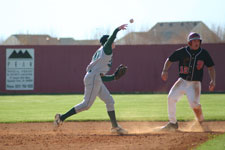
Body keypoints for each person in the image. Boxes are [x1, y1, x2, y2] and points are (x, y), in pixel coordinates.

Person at [54, 24, 128, 135]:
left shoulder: (102, 51)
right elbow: (111, 39)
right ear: (108, 42)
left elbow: (100, 77)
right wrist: (117, 29)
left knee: (109, 101)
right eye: (113, 41)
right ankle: (61, 118)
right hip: (93, 78)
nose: (114, 42)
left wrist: (113, 77)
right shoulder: (106, 49)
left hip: (94, 78)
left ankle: (115, 127)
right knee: (86, 105)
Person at [161, 32, 216, 131]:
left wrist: (213, 80)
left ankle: (201, 122)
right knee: (171, 98)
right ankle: (173, 123)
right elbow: (169, 59)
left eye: (198, 41)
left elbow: (211, 67)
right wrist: (165, 70)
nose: (196, 43)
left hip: (195, 84)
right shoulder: (182, 51)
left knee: (194, 104)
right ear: (189, 42)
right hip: (182, 81)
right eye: (194, 41)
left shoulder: (204, 53)